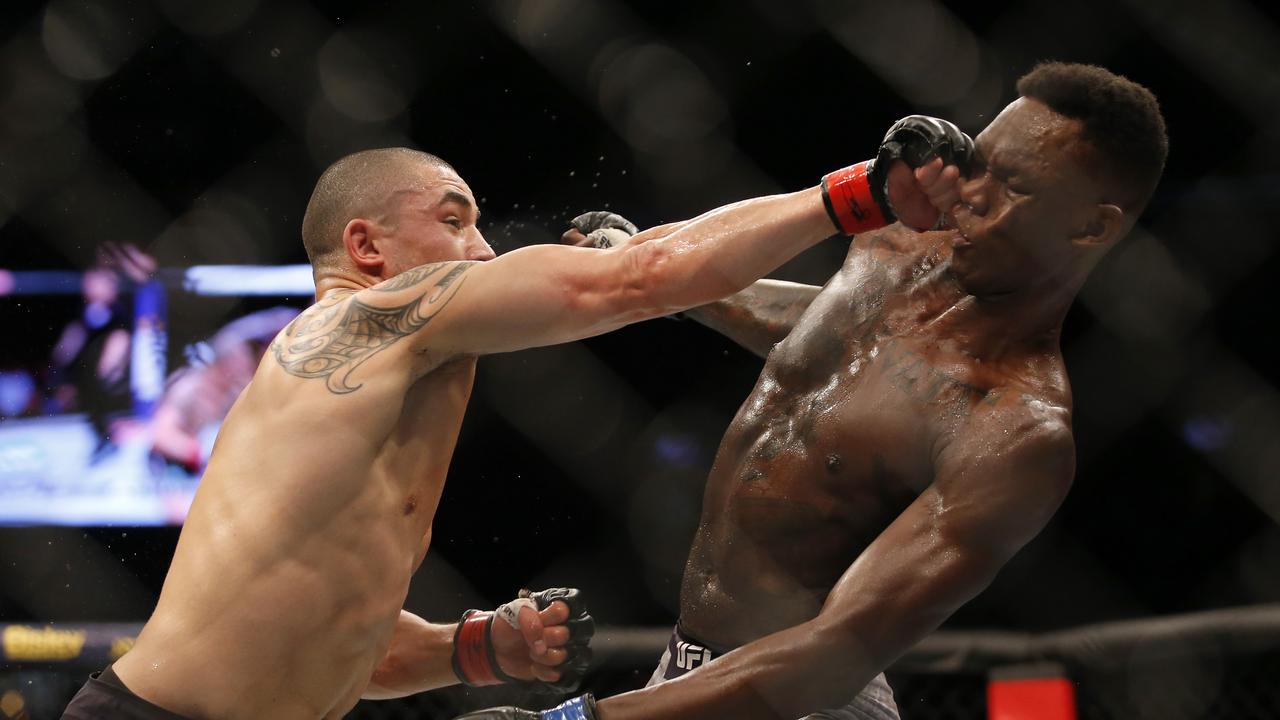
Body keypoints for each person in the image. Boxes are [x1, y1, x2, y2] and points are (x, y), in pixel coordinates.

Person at [63, 113, 958, 720]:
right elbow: (641, 282)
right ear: (366, 248)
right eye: (455, 222)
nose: (482, 251)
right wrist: (860, 195)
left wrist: (478, 649)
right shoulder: (367, 317)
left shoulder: (361, 404)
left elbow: (348, 649)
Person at [461, 62, 1168, 720]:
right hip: (686, 672)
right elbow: (834, 330)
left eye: (1013, 187)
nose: (970, 196)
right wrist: (679, 286)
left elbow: (838, 652)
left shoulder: (1015, 427)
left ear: (1091, 226)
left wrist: (580, 718)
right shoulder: (902, 239)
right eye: (978, 164)